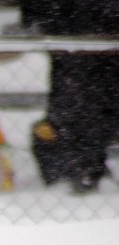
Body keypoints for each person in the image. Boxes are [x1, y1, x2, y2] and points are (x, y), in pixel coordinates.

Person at [28, 0, 119, 194]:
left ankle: (84, 169)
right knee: (75, 104)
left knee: (91, 103)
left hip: (93, 39)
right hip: (74, 35)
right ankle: (76, 173)